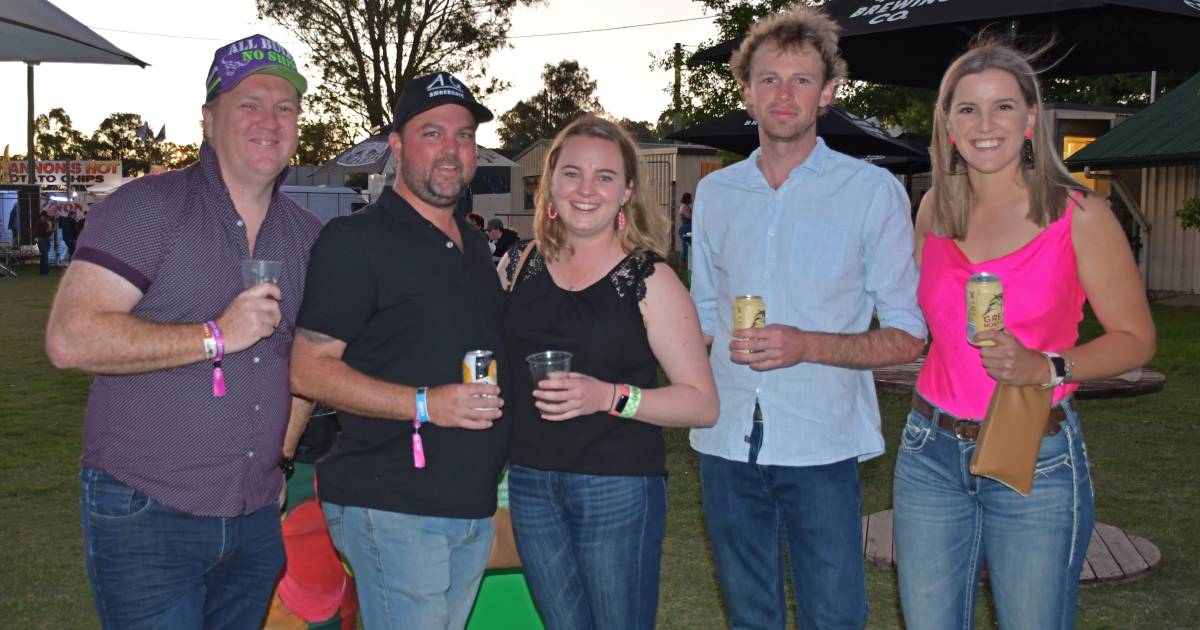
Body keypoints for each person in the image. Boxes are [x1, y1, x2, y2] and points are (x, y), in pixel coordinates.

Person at [44, 34, 321, 628]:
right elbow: (71, 337)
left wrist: (283, 458)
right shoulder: (147, 207)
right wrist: (214, 335)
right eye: (248, 103)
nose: (269, 120)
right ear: (209, 118)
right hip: (147, 507)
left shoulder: (305, 236)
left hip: (253, 516)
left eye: (285, 106)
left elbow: (305, 363)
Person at [893, 40, 1156, 630]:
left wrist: (1048, 366)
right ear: (948, 124)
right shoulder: (934, 208)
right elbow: (914, 322)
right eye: (968, 110)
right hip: (929, 451)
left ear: (1032, 118)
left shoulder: (1079, 214)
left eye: (1003, 107)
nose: (986, 125)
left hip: (1034, 450)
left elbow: (1136, 339)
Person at [688, 7, 927, 628]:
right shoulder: (717, 193)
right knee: (750, 615)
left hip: (820, 442)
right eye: (768, 79)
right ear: (746, 92)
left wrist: (806, 345)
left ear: (827, 92)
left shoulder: (871, 192)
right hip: (725, 440)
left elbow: (908, 335)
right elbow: (703, 312)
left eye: (800, 80)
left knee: (834, 615)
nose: (783, 94)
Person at [289, 71, 508, 630]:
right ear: (396, 146)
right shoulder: (355, 241)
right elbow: (309, 369)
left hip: (469, 503)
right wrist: (427, 404)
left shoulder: (476, 243)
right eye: (432, 133)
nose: (451, 150)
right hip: (392, 505)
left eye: (463, 136)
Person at [498, 114, 718, 630]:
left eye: (605, 177)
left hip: (617, 487)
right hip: (530, 483)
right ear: (550, 182)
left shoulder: (649, 278)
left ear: (627, 192)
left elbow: (702, 403)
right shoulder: (517, 265)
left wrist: (609, 397)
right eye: (572, 173)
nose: (586, 189)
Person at [677, 191, 693, 269]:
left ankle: (682, 268)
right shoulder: (685, 207)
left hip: (684, 228)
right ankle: (683, 267)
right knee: (686, 248)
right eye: (690, 198)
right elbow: (690, 217)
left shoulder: (683, 206)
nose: (692, 199)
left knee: (685, 248)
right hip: (686, 228)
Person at [33, 210, 52, 275]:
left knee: (44, 256)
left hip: (44, 239)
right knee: (45, 255)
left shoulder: (45, 223)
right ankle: (45, 272)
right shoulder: (39, 223)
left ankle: (43, 271)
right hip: (42, 239)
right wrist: (48, 232)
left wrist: (49, 232)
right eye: (45, 217)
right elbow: (40, 233)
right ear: (42, 217)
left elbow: (47, 233)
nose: (46, 218)